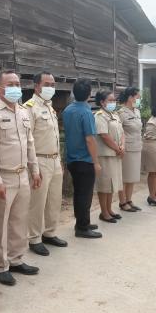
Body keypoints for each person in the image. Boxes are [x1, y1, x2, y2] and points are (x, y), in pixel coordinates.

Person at [0, 69, 41, 286]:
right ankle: (0, 266)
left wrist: (35, 170)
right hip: (4, 177)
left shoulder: (23, 111)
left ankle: (16, 259)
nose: (16, 87)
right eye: (11, 84)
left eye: (17, 83)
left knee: (19, 220)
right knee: (0, 223)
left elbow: (30, 143)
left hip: (23, 174)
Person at [24, 71, 67, 257]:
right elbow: (28, 140)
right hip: (39, 160)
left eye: (53, 84)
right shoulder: (29, 108)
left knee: (54, 199)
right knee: (37, 202)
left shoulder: (50, 107)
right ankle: (34, 238)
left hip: (55, 159)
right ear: (36, 86)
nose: (51, 87)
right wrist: (33, 168)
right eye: (47, 84)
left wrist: (59, 160)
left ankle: (50, 232)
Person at [62, 78, 102, 239]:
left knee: (79, 193)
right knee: (85, 194)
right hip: (84, 159)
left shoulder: (67, 110)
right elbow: (90, 139)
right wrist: (96, 162)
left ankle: (82, 221)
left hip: (71, 158)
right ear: (89, 94)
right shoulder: (86, 112)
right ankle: (82, 227)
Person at [94, 90, 124, 223]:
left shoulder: (115, 115)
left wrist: (122, 146)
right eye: (110, 100)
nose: (113, 103)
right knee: (105, 184)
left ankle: (110, 209)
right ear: (102, 102)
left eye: (114, 100)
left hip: (116, 154)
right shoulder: (99, 116)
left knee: (113, 184)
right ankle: (104, 212)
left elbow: (122, 132)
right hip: (106, 155)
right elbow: (104, 135)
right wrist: (118, 149)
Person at [118, 87, 143, 212]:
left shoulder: (137, 111)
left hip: (137, 147)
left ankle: (129, 200)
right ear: (130, 97)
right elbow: (118, 132)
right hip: (127, 149)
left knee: (132, 177)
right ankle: (122, 202)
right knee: (125, 177)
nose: (138, 99)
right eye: (137, 97)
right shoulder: (121, 113)